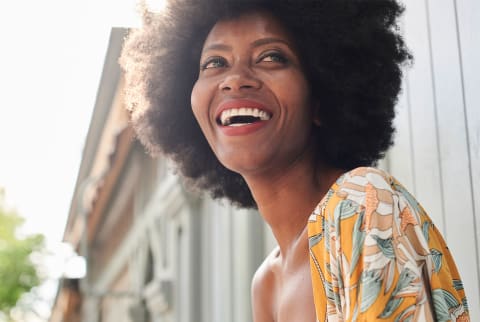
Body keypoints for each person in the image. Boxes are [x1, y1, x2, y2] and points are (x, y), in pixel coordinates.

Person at [120, 0, 470, 321]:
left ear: (320, 97)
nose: (235, 79)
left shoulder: (363, 205)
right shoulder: (267, 281)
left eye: (271, 56)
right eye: (215, 62)